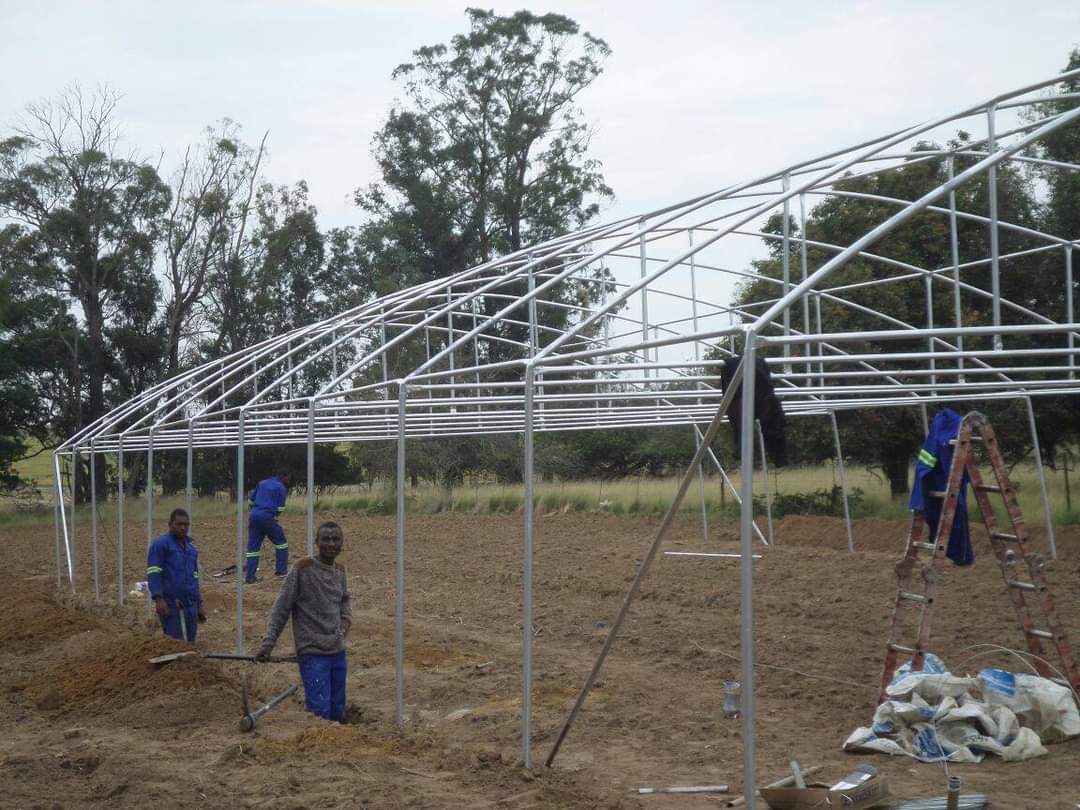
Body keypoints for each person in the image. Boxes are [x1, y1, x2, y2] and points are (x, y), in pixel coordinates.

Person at [254, 521, 351, 722]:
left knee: (337, 708)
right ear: (316, 542)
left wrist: (344, 623)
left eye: (336, 539)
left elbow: (345, 601)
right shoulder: (302, 569)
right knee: (320, 710)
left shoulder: (340, 571)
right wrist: (268, 642)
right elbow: (282, 607)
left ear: (342, 543)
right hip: (313, 653)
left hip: (337, 652)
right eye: (326, 539)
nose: (331, 544)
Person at [146, 508, 206, 641]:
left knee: (190, 643)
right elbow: (153, 573)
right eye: (179, 524)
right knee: (175, 644)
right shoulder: (161, 545)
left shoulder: (191, 549)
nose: (183, 528)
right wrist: (159, 599)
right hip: (171, 605)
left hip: (190, 605)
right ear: (170, 524)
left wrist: (199, 604)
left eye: (186, 525)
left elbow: (194, 577)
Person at [246, 472, 291, 583]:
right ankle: (281, 572)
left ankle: (250, 577)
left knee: (253, 549)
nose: (288, 481)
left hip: (253, 516)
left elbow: (251, 501)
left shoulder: (262, 483)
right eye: (288, 479)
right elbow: (280, 508)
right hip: (267, 517)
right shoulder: (281, 487)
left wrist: (255, 511)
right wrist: (274, 516)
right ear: (283, 477)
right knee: (281, 543)